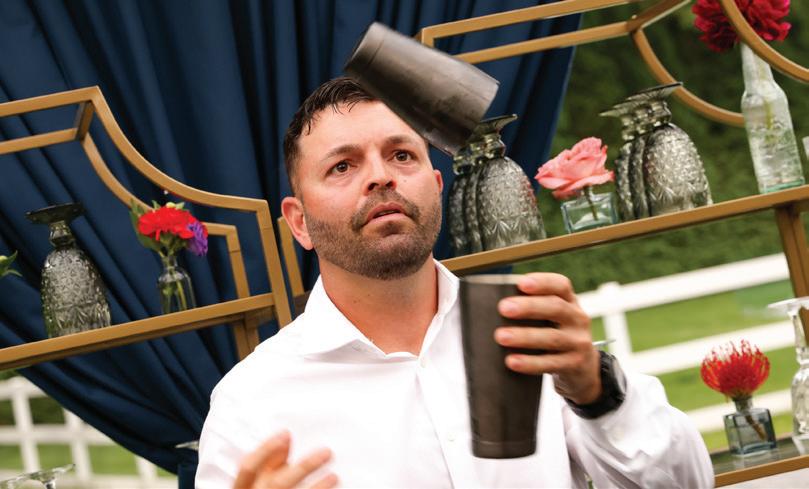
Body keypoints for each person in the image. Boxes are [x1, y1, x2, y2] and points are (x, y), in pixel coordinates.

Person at [196, 77, 714, 488]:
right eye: (342, 166)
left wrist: (597, 391)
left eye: (402, 155)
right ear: (299, 222)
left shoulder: (528, 334)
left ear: (436, 186)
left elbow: (688, 482)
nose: (381, 176)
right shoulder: (251, 403)